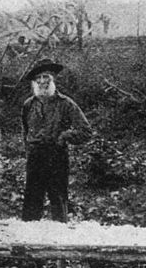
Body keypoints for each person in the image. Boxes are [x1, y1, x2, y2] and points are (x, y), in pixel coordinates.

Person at [21, 59, 92, 222]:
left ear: (52, 79)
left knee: (58, 199)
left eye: (45, 77)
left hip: (56, 157)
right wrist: (29, 149)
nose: (41, 81)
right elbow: (25, 131)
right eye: (37, 78)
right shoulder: (28, 105)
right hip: (35, 157)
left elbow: (86, 131)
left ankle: (60, 240)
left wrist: (65, 136)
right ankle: (27, 239)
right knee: (32, 200)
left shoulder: (66, 104)